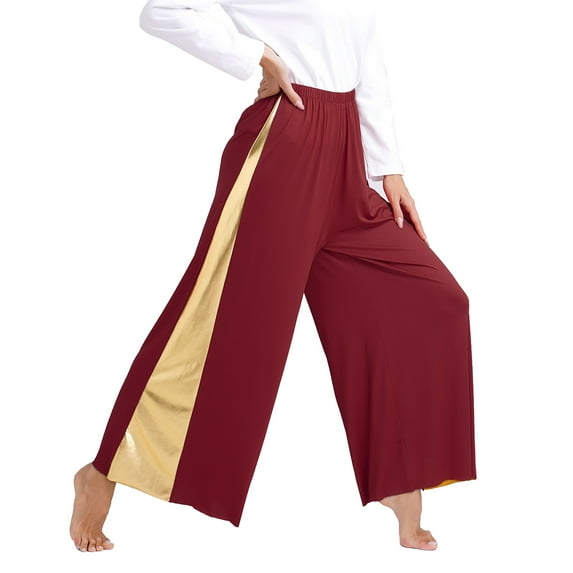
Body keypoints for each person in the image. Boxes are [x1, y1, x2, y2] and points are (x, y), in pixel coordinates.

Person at [70, 0, 477, 553]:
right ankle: (103, 473)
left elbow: (366, 54)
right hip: (284, 144)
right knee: (225, 326)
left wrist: (389, 168)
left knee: (431, 301)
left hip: (349, 158)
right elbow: (161, 11)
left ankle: (399, 476)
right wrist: (256, 55)